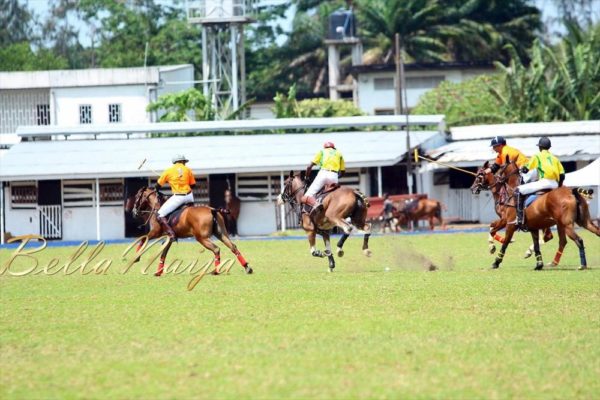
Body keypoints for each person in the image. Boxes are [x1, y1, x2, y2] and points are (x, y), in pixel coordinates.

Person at [515, 136, 565, 228]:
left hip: (544, 182)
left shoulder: (537, 156)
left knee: (518, 190)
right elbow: (562, 175)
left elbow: (526, 169)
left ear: (540, 147)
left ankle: (519, 218)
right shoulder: (555, 158)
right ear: (549, 147)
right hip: (555, 184)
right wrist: (559, 186)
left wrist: (521, 170)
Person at [154, 154, 196, 240]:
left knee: (159, 215)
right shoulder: (188, 169)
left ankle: (171, 233)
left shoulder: (168, 171)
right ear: (182, 161)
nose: (184, 163)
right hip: (190, 197)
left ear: (175, 162)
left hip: (178, 197)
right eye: (184, 162)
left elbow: (157, 186)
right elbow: (193, 185)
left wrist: (167, 183)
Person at [302, 141, 345, 217]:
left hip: (323, 173)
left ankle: (316, 204)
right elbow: (342, 172)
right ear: (333, 147)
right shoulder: (339, 153)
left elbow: (309, 166)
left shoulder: (322, 151)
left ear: (325, 147)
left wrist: (306, 178)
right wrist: (335, 177)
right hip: (334, 175)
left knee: (306, 196)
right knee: (337, 198)